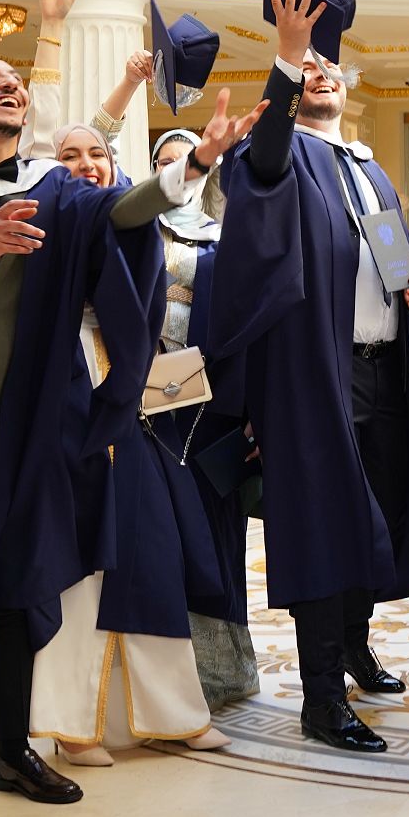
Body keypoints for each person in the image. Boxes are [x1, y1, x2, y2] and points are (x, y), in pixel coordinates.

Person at [0, 51, 257, 817]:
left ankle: (12, 750)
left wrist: (196, 165)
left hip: (28, 425)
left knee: (20, 585)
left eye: (15, 76)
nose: (8, 82)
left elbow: (122, 213)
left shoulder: (53, 191)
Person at [209, 0, 409, 755]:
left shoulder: (368, 169)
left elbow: (391, 257)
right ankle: (321, 697)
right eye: (305, 68)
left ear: (347, 81)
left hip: (384, 369)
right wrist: (284, 58)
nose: (319, 72)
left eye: (326, 66)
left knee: (377, 510)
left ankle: (354, 644)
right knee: (323, 525)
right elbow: (269, 164)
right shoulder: (274, 156)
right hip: (313, 376)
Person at [16, 0, 228, 765]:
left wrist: (142, 107)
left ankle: (172, 711)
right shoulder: (38, 211)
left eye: (97, 158)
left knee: (147, 553)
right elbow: (53, 138)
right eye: (66, 157)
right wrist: (53, 29)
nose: (84, 163)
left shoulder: (121, 214)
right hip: (60, 406)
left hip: (130, 409)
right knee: (75, 568)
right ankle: (71, 725)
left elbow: (111, 162)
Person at [147, 127, 259, 710]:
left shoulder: (227, 234)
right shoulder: (139, 230)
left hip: (213, 410)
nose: (180, 172)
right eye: (167, 163)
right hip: (151, 409)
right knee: (166, 537)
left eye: (189, 162)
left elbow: (245, 322)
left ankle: (220, 672)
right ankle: (164, 677)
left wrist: (248, 410)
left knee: (217, 538)